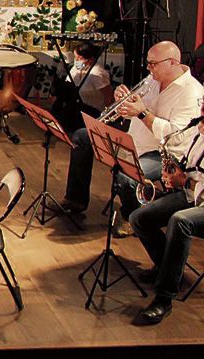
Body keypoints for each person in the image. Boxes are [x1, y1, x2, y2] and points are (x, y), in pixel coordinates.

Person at [63, 41, 203, 236]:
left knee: (125, 174)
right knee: (82, 136)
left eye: (153, 64)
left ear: (172, 62)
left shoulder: (191, 92)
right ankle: (75, 200)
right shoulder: (153, 79)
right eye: (148, 63)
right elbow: (134, 112)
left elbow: (176, 136)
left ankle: (131, 214)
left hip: (162, 154)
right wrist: (124, 102)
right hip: (133, 141)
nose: (148, 68)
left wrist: (142, 113)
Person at [130, 107, 204, 324]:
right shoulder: (198, 131)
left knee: (180, 221)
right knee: (139, 218)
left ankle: (164, 298)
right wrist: (173, 174)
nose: (201, 110)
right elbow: (192, 167)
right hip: (191, 195)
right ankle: (167, 269)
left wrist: (187, 182)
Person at [51, 42, 113, 133]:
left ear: (90, 59)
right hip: (77, 106)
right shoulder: (76, 69)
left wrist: (106, 117)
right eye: (75, 58)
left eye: (80, 58)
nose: (77, 61)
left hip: (93, 110)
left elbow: (108, 96)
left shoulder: (98, 73)